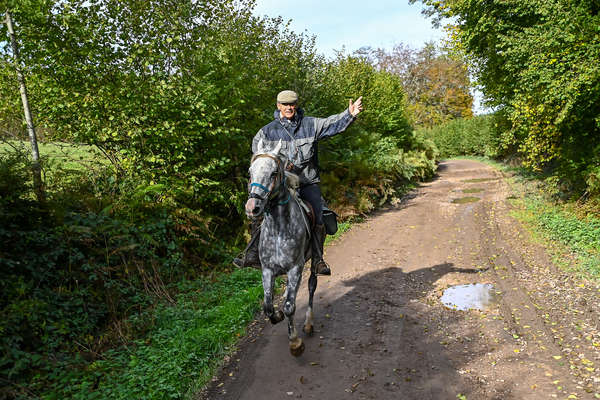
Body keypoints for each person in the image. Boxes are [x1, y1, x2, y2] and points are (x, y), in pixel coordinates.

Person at [234, 90, 363, 275]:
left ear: (296, 105)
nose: (289, 108)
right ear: (278, 106)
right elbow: (260, 160)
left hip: (307, 181)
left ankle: (318, 260)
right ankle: (253, 253)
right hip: (281, 186)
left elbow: (332, 124)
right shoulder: (266, 132)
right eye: (285, 105)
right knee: (259, 211)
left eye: (292, 104)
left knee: (319, 215)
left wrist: (349, 114)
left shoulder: (311, 124)